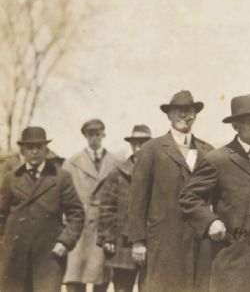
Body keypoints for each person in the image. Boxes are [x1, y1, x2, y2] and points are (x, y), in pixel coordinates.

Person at [180, 93, 250, 292]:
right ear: (236, 126)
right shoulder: (217, 159)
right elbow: (189, 197)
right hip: (234, 258)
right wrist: (211, 221)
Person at [128, 90, 215, 292]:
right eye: (178, 111)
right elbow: (137, 198)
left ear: (195, 115)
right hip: (163, 241)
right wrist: (138, 241)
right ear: (169, 115)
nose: (184, 116)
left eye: (189, 111)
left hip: (198, 242)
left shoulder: (208, 151)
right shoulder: (152, 149)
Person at [0, 127, 84, 292]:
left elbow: (77, 214)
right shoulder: (11, 178)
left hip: (48, 256)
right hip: (14, 257)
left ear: (46, 149)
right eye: (30, 147)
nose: (35, 151)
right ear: (22, 151)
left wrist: (65, 242)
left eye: (39, 147)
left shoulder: (61, 177)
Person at [63, 119, 120, 292]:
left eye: (97, 134)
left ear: (104, 134)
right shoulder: (72, 163)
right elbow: (64, 196)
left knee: (100, 280)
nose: (94, 138)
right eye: (90, 135)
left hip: (104, 227)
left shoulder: (116, 162)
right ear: (85, 136)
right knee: (75, 279)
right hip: (80, 227)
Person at [98, 125, 152, 292]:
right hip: (123, 241)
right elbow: (107, 207)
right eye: (136, 143)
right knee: (122, 287)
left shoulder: (159, 171)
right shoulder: (119, 172)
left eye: (144, 143)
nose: (139, 147)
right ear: (131, 145)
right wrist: (107, 237)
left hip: (151, 240)